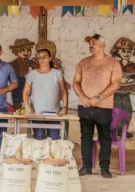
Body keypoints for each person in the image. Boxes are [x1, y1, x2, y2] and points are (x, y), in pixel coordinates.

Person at [73, 34, 122, 179]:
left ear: (102, 44)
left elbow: (116, 84)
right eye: (89, 43)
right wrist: (82, 96)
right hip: (85, 105)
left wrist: (98, 97)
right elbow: (76, 81)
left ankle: (104, 168)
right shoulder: (83, 62)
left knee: (104, 137)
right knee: (85, 137)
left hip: (104, 107)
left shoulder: (113, 63)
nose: (91, 45)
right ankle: (86, 167)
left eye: (94, 43)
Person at [23, 49, 68, 140]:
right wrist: (27, 106)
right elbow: (26, 92)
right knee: (39, 139)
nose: (42, 59)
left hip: (54, 113)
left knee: (54, 139)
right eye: (39, 57)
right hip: (37, 113)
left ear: (50, 58)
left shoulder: (57, 73)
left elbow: (63, 91)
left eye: (45, 57)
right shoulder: (32, 74)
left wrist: (65, 107)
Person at [9, 38, 37, 110]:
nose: (26, 52)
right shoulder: (13, 63)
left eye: (28, 50)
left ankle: (28, 105)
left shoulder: (31, 63)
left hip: (27, 81)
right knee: (16, 92)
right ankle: (17, 105)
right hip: (16, 81)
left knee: (28, 93)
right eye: (22, 50)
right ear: (16, 52)